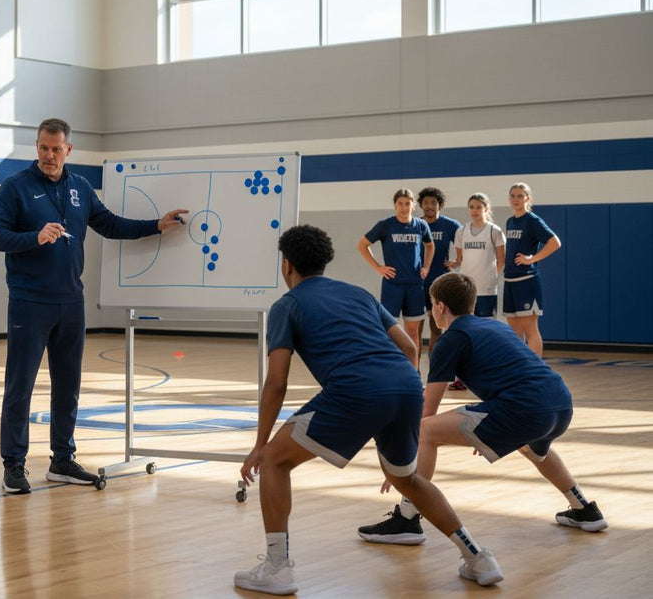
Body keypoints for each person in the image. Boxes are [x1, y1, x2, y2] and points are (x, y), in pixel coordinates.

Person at [235, 225, 502, 596]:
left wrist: (259, 445)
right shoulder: (357, 293)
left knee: (275, 461)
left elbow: (276, 382)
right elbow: (410, 347)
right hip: (405, 387)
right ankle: (479, 558)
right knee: (408, 480)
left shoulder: (287, 305)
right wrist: (396, 392)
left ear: (287, 265)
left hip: (355, 390)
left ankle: (277, 568)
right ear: (325, 262)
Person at [0, 117, 188, 495]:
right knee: (20, 387)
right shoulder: (15, 187)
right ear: (37, 147)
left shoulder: (80, 187)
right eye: (43, 148)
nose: (49, 155)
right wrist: (34, 237)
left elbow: (110, 224)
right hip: (29, 303)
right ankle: (13, 464)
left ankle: (62, 460)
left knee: (69, 386)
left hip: (71, 302)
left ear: (68, 150)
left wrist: (155, 226)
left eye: (55, 149)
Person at [357, 272, 606, 547]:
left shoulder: (450, 339)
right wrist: (492, 430)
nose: (431, 309)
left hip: (523, 409)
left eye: (431, 303)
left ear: (440, 306)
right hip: (560, 403)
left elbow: (427, 412)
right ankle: (584, 509)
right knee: (533, 448)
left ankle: (406, 519)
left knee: (425, 431)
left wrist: (400, 464)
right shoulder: (496, 326)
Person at [357, 188, 434, 369]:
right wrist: (378, 267)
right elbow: (362, 245)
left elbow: (430, 246)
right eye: (400, 203)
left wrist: (426, 267)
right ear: (395, 205)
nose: (404, 207)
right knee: (389, 330)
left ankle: (413, 371)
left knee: (412, 331)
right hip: (392, 285)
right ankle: (390, 369)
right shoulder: (385, 225)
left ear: (413, 206)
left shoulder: (421, 225)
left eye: (407, 203)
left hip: (414, 284)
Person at [504, 182, 561, 357]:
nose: (515, 199)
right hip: (510, 281)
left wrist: (532, 259)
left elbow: (555, 242)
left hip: (527, 281)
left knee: (530, 329)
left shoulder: (532, 220)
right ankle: (520, 367)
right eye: (513, 195)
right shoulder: (510, 221)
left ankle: (536, 368)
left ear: (528, 198)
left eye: (520, 196)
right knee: (514, 332)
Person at [416, 187, 461, 362]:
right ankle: (415, 370)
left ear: (440, 205)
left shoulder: (450, 225)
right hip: (418, 283)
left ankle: (434, 368)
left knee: (437, 328)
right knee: (416, 328)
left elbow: (466, 244)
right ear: (420, 205)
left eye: (433, 203)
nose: (429, 206)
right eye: (426, 203)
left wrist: (457, 261)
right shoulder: (415, 225)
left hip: (440, 283)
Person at [451, 193, 506, 319]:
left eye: (478, 207)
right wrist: (454, 263)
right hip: (466, 289)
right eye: (471, 207)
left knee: (487, 324)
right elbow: (460, 259)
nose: (474, 210)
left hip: (486, 289)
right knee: (466, 324)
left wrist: (491, 278)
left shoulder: (494, 231)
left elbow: (501, 260)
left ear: (486, 209)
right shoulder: (461, 231)